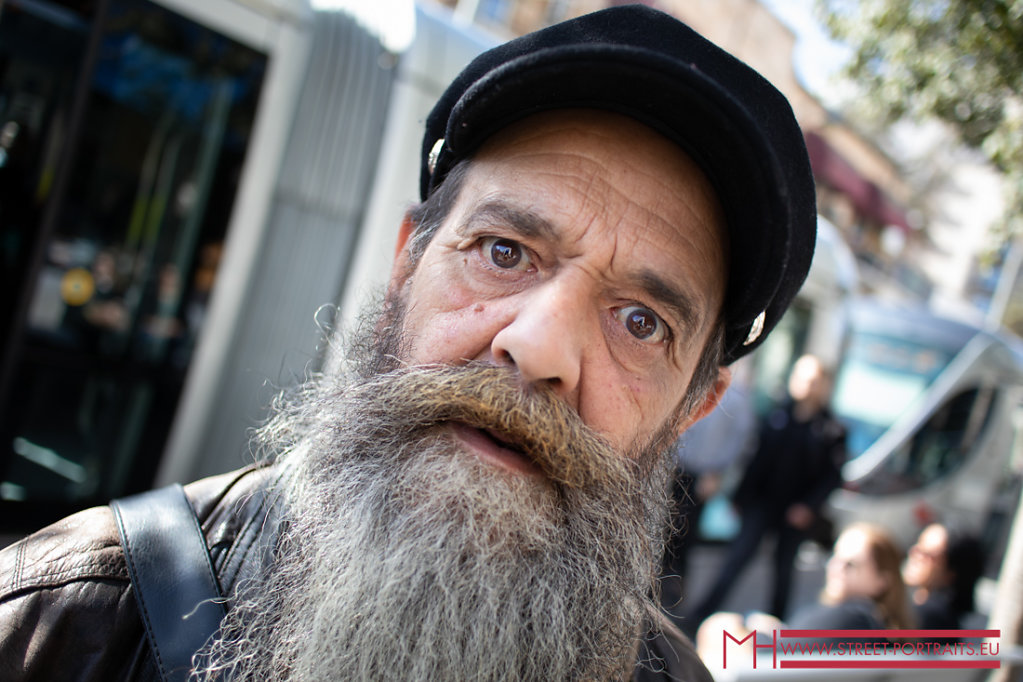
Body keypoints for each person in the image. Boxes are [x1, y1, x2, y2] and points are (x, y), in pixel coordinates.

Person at [0, 5, 817, 681]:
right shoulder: (64, 621)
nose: (537, 350)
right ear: (405, 265)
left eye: (641, 321)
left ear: (689, 410)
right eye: (504, 252)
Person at [684, 354, 846, 628]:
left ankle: (778, 625)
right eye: (802, 377)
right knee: (736, 560)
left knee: (783, 569)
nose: (807, 385)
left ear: (824, 386)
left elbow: (832, 477)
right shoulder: (777, 415)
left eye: (814, 380)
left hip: (796, 511)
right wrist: (740, 498)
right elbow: (757, 460)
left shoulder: (830, 430)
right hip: (762, 504)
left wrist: (809, 507)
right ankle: (700, 616)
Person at [695, 523, 913, 664]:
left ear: (882, 582)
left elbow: (769, 657)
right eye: (835, 558)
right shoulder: (868, 624)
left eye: (851, 564)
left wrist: (741, 627)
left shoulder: (852, 616)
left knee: (719, 627)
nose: (836, 568)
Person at [903, 522, 985, 631]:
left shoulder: (931, 618)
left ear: (951, 573)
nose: (914, 553)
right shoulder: (919, 606)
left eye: (927, 554)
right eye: (917, 545)